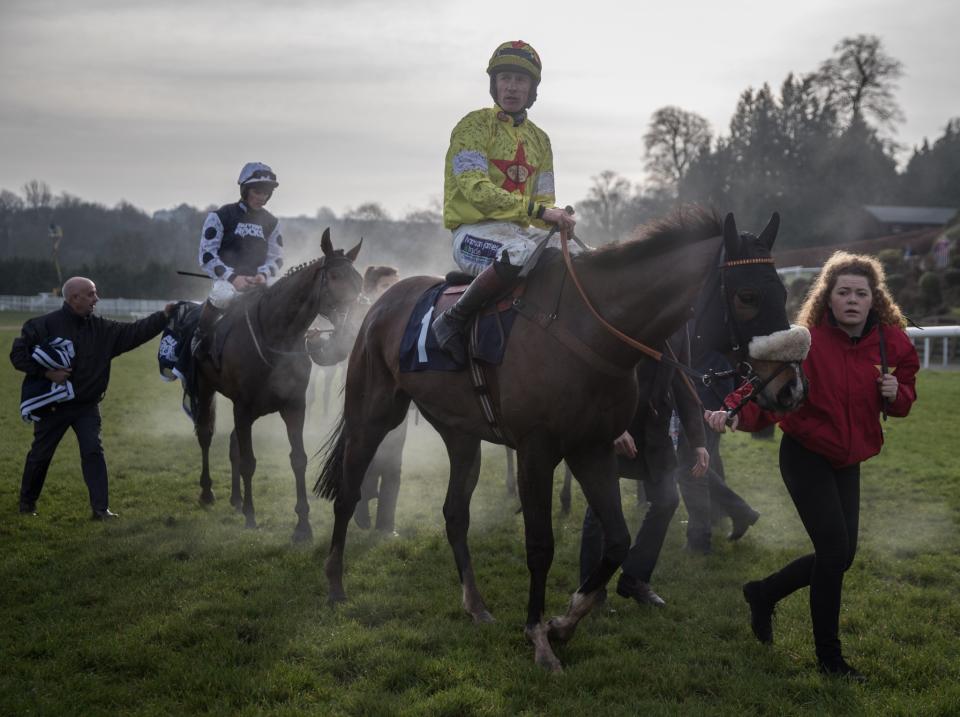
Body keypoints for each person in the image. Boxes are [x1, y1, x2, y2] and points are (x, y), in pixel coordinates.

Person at [705, 251, 919, 681]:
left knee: (841, 556)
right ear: (829, 298)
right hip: (805, 455)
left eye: (862, 292)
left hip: (848, 459)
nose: (853, 300)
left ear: (874, 298)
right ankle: (830, 660)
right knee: (835, 552)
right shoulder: (804, 342)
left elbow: (904, 394)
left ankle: (763, 594)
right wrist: (732, 413)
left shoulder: (891, 342)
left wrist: (896, 393)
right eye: (844, 292)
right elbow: (761, 387)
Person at [432, 40, 577, 364]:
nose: (511, 87)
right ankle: (453, 319)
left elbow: (543, 205)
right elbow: (475, 189)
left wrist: (558, 217)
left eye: (520, 80)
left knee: (582, 256)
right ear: (494, 84)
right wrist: (537, 211)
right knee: (520, 253)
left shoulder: (541, 140)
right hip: (472, 233)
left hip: (518, 231)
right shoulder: (473, 125)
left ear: (532, 89)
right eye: (505, 78)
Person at [10, 277, 176, 519]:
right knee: (41, 456)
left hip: (87, 406)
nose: (96, 299)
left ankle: (100, 510)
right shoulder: (43, 325)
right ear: (73, 298)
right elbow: (17, 354)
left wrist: (163, 316)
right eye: (90, 294)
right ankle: (27, 505)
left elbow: (135, 331)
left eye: (95, 293)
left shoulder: (103, 329)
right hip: (53, 407)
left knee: (93, 453)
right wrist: (47, 373)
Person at [580, 327, 709, 607]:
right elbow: (596, 373)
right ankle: (592, 589)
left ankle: (635, 577)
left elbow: (683, 380)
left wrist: (698, 440)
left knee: (667, 500)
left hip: (654, 428)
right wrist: (614, 426)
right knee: (601, 509)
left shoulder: (678, 322)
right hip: (612, 425)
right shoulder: (628, 306)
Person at [194, 162, 283, 354]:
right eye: (257, 192)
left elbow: (276, 259)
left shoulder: (272, 222)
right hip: (227, 282)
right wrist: (233, 278)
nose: (262, 197)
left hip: (257, 282)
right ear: (245, 189)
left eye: (266, 193)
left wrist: (263, 275)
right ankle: (199, 337)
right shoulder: (220, 216)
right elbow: (207, 255)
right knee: (223, 295)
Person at [676, 349, 759, 554]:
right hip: (698, 378)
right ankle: (739, 511)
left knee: (693, 465)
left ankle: (699, 542)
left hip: (709, 381)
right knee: (691, 463)